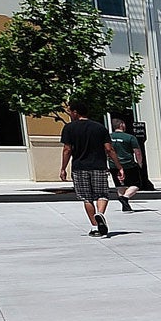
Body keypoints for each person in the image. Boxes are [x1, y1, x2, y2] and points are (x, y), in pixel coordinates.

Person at [57, 101, 120, 237]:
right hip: (99, 166)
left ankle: (95, 226)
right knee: (102, 194)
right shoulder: (99, 127)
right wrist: (119, 166)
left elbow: (67, 149)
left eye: (70, 111)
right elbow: (109, 149)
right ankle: (100, 214)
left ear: (75, 112)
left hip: (79, 167)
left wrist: (63, 168)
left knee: (87, 198)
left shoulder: (69, 128)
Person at [108, 116, 144, 210]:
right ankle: (125, 198)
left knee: (120, 185)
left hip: (113, 165)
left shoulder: (108, 137)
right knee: (137, 184)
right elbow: (137, 152)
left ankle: (125, 205)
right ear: (121, 125)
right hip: (128, 164)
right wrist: (139, 163)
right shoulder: (130, 137)